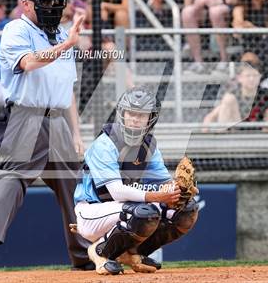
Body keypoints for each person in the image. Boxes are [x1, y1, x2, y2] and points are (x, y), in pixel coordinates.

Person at [0, 0, 91, 274]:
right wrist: (68, 44)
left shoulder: (61, 32)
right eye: (45, 3)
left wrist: (76, 133)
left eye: (56, 4)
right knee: (11, 181)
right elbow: (29, 63)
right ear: (26, 4)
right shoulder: (16, 29)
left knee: (75, 187)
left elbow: (68, 89)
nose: (52, 9)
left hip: (59, 119)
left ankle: (85, 254)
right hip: (26, 115)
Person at [73, 86, 199, 275]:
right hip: (92, 211)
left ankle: (131, 253)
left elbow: (164, 183)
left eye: (141, 115)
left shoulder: (149, 146)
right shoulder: (105, 144)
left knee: (186, 210)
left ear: (151, 118)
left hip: (123, 210)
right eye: (130, 113)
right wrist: (159, 196)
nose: (134, 118)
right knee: (143, 212)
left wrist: (179, 190)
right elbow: (116, 192)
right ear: (121, 113)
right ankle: (99, 251)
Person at [181, 0, 236, 73]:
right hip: (207, 9)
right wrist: (202, 0)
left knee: (215, 12)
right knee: (187, 13)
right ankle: (198, 62)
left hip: (230, 8)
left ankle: (224, 59)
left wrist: (221, 0)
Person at [203, 61, 268, 129]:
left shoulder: (264, 94)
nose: (251, 79)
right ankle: (222, 136)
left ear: (260, 77)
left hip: (256, 132)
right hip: (236, 130)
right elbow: (210, 117)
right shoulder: (234, 94)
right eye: (248, 76)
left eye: (255, 75)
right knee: (228, 98)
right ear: (240, 78)